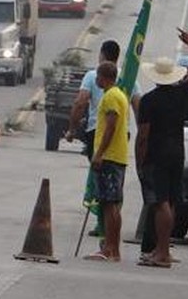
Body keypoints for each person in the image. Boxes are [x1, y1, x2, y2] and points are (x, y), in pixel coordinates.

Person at [135, 28, 188, 269]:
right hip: (177, 152)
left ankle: (162, 253)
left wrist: (141, 160)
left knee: (160, 202)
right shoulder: (183, 94)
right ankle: (161, 249)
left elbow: (143, 136)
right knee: (171, 202)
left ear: (155, 77)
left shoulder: (148, 101)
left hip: (157, 154)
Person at [66, 39, 122, 241]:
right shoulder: (126, 76)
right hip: (120, 137)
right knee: (114, 184)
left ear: (101, 54)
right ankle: (106, 228)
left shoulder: (93, 76)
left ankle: (102, 226)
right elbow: (137, 104)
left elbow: (81, 102)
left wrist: (72, 129)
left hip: (97, 132)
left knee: (101, 182)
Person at [83, 62, 129, 262]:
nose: (96, 80)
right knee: (113, 204)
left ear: (103, 77)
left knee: (109, 204)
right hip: (117, 156)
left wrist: (99, 153)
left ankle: (109, 248)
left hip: (109, 156)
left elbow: (110, 126)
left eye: (98, 77)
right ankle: (114, 250)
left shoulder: (110, 96)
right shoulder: (119, 94)